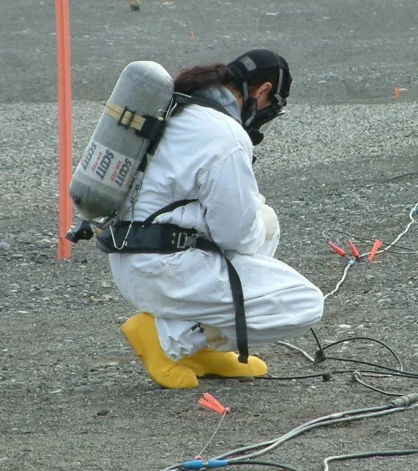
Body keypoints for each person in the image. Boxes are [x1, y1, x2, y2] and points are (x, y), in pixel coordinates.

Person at [100, 49, 324, 389]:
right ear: (263, 91)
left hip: (131, 257)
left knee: (259, 225)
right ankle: (169, 339)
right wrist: (259, 225)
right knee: (305, 303)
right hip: (165, 268)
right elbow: (235, 234)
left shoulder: (179, 108)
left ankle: (198, 349)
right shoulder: (225, 134)